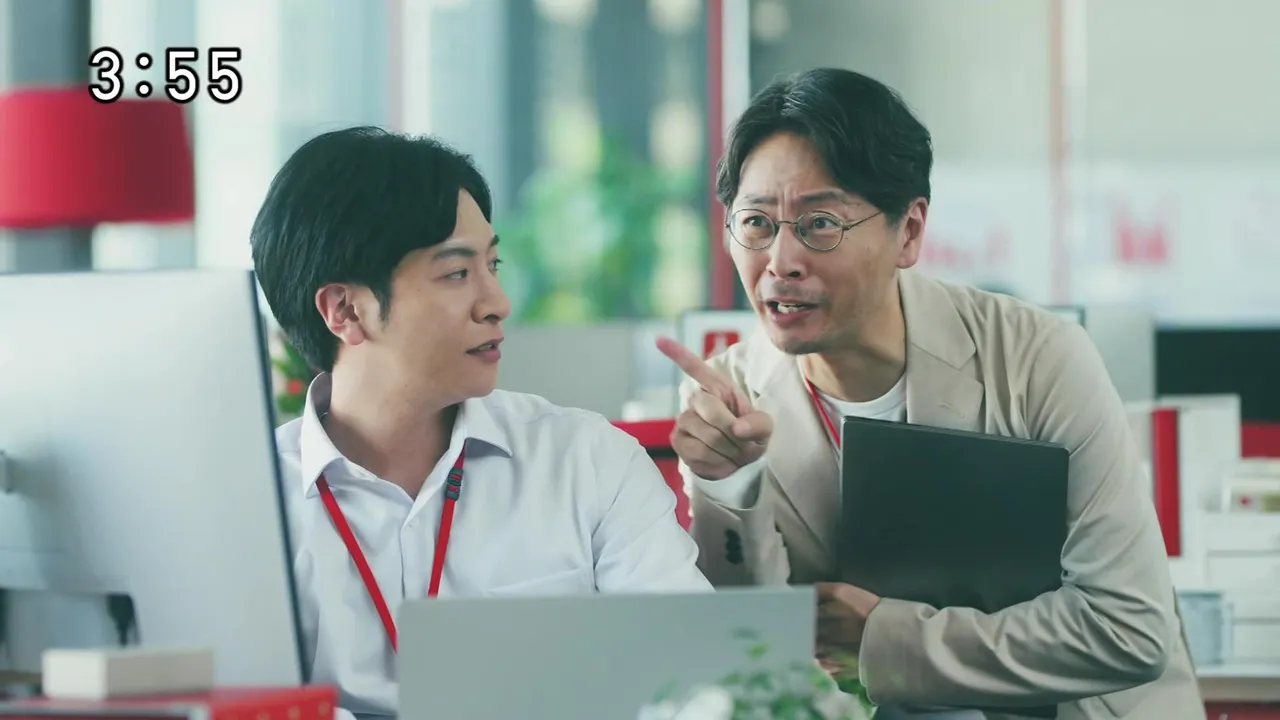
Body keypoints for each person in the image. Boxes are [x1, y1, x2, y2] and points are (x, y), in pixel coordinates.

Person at [661, 68, 1202, 718]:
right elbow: (751, 657)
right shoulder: (732, 396)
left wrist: (885, 642)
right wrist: (726, 486)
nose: (779, 261)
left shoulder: (1037, 357)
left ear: (910, 231)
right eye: (755, 223)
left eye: (820, 223)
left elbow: (1128, 630)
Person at [251, 127, 710, 719]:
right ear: (345, 310)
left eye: (492, 265)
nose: (497, 302)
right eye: (456, 273)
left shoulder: (588, 462)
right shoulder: (253, 507)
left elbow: (696, 682)